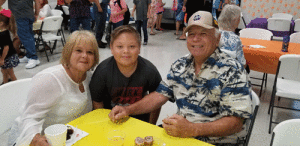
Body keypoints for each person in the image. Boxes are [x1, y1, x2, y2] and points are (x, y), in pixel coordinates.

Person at [109, 11, 252, 145]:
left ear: (217, 38)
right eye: (191, 34)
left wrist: (193, 129)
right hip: (182, 136)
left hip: (218, 142)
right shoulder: (180, 65)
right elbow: (159, 95)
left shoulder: (233, 69)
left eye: (203, 33)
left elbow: (236, 122)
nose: (196, 39)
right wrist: (128, 110)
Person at [8, 30, 99, 146]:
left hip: (67, 138)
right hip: (34, 140)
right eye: (78, 50)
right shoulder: (50, 79)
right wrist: (36, 139)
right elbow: (29, 117)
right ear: (68, 52)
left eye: (90, 52)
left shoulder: (89, 77)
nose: (84, 56)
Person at [90, 25, 162, 124]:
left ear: (139, 48)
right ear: (111, 48)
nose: (126, 51)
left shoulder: (150, 71)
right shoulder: (102, 72)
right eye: (120, 46)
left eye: (132, 46)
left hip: (140, 121)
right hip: (111, 121)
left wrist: (151, 124)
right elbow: (97, 102)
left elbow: (157, 101)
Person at [0, 0, 41, 69]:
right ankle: (29, 55)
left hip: (20, 15)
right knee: (29, 35)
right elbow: (38, 1)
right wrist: (36, 13)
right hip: (28, 14)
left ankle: (33, 58)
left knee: (25, 36)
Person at [0, 9, 19, 85]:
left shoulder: (4, 34)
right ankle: (5, 85)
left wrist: (2, 59)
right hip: (6, 57)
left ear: (1, 23)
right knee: (4, 72)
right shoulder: (5, 31)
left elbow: (6, 48)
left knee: (10, 73)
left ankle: (17, 86)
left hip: (8, 57)